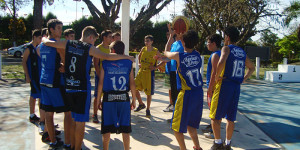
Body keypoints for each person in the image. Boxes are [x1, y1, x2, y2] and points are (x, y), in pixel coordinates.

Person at [42, 26, 134, 150]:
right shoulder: (89, 48)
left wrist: (43, 38)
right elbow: (107, 57)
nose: (94, 43)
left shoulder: (68, 43)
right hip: (82, 89)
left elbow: (48, 42)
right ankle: (77, 148)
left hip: (69, 87)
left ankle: (72, 146)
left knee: (72, 119)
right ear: (90, 37)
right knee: (80, 122)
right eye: (94, 40)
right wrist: (126, 57)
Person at [209, 26, 255, 150]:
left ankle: (218, 143)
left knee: (215, 116)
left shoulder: (226, 48)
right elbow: (252, 67)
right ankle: (228, 144)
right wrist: (244, 79)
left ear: (227, 37)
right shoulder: (242, 52)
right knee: (231, 118)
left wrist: (217, 76)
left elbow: (221, 61)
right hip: (236, 87)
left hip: (225, 85)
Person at [162, 27, 204, 150]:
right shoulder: (197, 55)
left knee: (176, 127)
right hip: (198, 94)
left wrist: (171, 36)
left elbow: (166, 52)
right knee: (192, 126)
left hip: (186, 94)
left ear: (183, 42)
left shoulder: (179, 56)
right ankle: (198, 147)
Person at [38, 19, 72, 149]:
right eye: (58, 28)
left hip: (44, 80)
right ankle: (68, 143)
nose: (61, 30)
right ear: (51, 29)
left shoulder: (42, 45)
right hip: (56, 82)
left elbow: (43, 58)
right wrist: (64, 65)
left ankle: (52, 141)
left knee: (48, 112)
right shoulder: (57, 45)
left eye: (61, 28)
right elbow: (66, 62)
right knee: (68, 112)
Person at [97, 40, 136, 150]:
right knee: (125, 128)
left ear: (112, 51)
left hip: (108, 98)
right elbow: (132, 83)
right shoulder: (128, 63)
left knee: (106, 128)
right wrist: (134, 99)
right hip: (123, 98)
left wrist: (98, 99)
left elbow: (100, 82)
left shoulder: (105, 62)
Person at [134, 35, 164, 117]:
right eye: (145, 41)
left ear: (152, 42)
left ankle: (148, 109)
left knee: (148, 93)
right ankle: (141, 104)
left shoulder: (155, 51)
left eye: (148, 41)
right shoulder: (143, 49)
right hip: (141, 72)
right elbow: (139, 56)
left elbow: (164, 60)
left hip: (149, 74)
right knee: (133, 87)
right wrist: (139, 63)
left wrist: (156, 67)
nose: (146, 42)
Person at [202, 34, 222, 139]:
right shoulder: (220, 53)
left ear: (214, 44)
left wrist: (210, 88)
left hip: (214, 87)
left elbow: (214, 73)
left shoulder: (215, 55)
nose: (207, 44)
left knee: (213, 110)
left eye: (208, 42)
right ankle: (212, 127)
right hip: (218, 87)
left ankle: (214, 132)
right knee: (215, 110)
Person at [22, 29, 42, 124]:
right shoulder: (28, 48)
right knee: (34, 95)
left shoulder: (37, 48)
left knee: (35, 95)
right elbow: (24, 61)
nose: (41, 39)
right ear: (34, 37)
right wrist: (27, 75)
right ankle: (32, 115)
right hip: (33, 76)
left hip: (38, 76)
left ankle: (34, 114)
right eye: (39, 38)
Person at [93, 30, 113, 123]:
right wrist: (99, 75)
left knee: (107, 96)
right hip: (100, 76)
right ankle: (95, 114)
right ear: (104, 37)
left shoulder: (111, 48)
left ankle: (106, 114)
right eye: (109, 36)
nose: (111, 38)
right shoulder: (98, 48)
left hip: (109, 77)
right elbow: (96, 64)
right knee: (97, 96)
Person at [163, 32, 174, 113]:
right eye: (167, 35)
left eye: (170, 34)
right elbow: (165, 58)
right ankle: (171, 103)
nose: (168, 36)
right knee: (169, 88)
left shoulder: (175, 45)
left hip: (173, 71)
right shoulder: (168, 44)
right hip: (168, 70)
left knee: (174, 89)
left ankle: (173, 103)